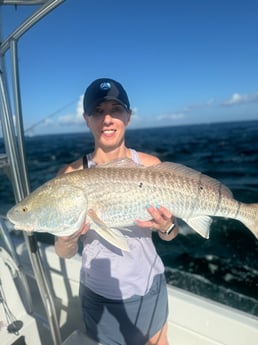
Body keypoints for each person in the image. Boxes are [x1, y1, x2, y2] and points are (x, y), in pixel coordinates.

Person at [55, 78, 179, 345]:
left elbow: (171, 233)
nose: (107, 119)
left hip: (148, 284)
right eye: (98, 111)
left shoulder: (150, 165)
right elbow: (63, 252)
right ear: (87, 119)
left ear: (128, 117)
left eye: (116, 110)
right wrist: (67, 239)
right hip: (98, 292)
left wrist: (166, 227)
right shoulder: (70, 175)